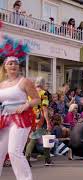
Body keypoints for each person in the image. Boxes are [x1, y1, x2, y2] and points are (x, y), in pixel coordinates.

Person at [0, 36, 40, 180]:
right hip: (4, 119)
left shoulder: (24, 82)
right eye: (10, 63)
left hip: (21, 119)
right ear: (5, 66)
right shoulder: (2, 84)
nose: (13, 66)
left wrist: (26, 105)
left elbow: (37, 99)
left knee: (14, 151)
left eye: (15, 64)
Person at [25, 77, 53, 166]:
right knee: (43, 138)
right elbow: (44, 109)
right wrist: (48, 122)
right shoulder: (43, 93)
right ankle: (46, 160)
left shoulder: (30, 93)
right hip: (40, 118)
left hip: (31, 117)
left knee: (34, 138)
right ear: (43, 84)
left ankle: (46, 159)